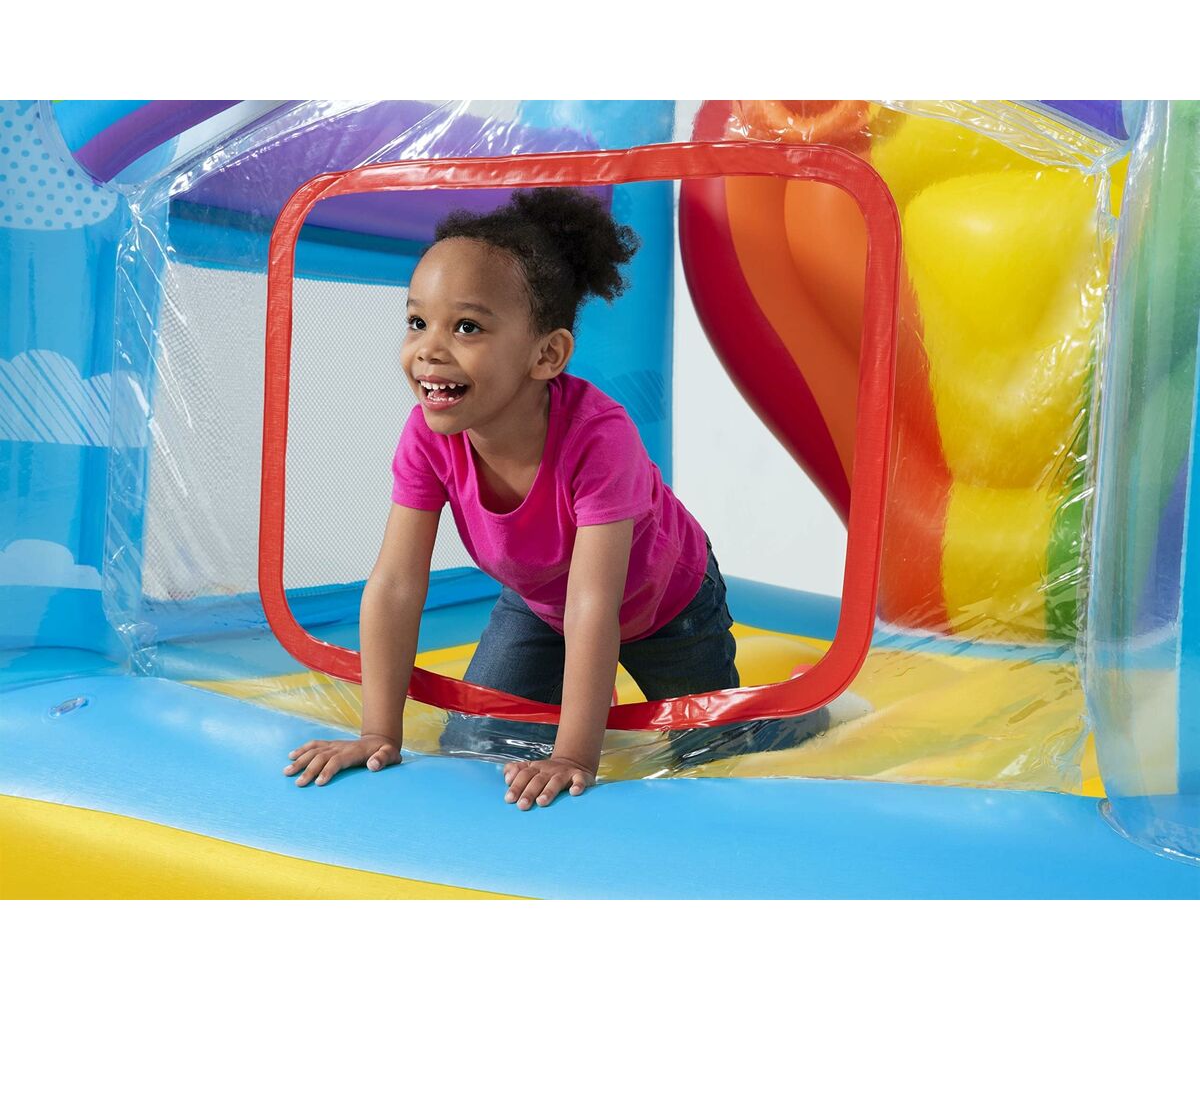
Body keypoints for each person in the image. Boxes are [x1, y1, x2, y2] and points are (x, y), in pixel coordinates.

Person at [284, 187, 842, 809]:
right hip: (542, 601)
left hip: (666, 603)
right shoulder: (427, 436)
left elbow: (595, 602)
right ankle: (582, 698)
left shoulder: (599, 438)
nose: (429, 350)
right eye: (417, 322)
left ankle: (798, 713)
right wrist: (377, 733)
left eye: (466, 327)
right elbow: (395, 584)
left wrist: (575, 754)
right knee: (474, 742)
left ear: (547, 355)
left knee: (709, 752)